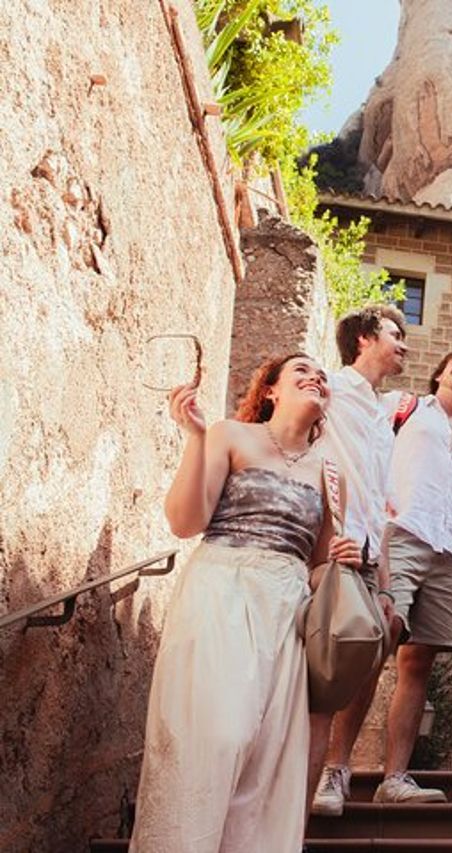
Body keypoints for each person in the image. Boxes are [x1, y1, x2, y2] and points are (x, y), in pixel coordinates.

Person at [131, 353, 361, 853]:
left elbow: (319, 565)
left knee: (265, 757)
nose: (315, 377)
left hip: (287, 610)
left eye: (322, 375)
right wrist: (195, 439)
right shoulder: (229, 435)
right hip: (221, 591)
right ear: (272, 390)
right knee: (217, 734)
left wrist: (343, 560)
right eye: (301, 370)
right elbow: (185, 523)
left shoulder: (332, 471)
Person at [367, 347, 452, 804]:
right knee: (374, 642)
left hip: (450, 552)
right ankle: (335, 770)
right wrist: (374, 501)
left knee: (418, 663)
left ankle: (394, 779)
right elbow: (364, 445)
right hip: (403, 532)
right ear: (440, 373)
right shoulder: (402, 407)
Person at [310, 306, 408, 816]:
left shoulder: (383, 416)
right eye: (396, 334)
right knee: (318, 664)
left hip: (370, 558)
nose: (404, 345)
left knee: (369, 657)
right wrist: (318, 538)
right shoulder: (326, 388)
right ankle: (305, 773)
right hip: (328, 552)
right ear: (366, 339)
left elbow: (379, 504)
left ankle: (338, 769)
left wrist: (388, 583)